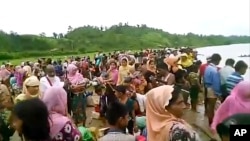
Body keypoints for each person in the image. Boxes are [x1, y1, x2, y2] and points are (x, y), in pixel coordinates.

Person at [204, 53, 222, 125]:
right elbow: (216, 83)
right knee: (211, 107)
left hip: (208, 87)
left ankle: (210, 122)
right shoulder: (214, 70)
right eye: (219, 61)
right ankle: (212, 123)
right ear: (217, 60)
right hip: (212, 89)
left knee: (210, 107)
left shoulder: (208, 67)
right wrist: (218, 93)